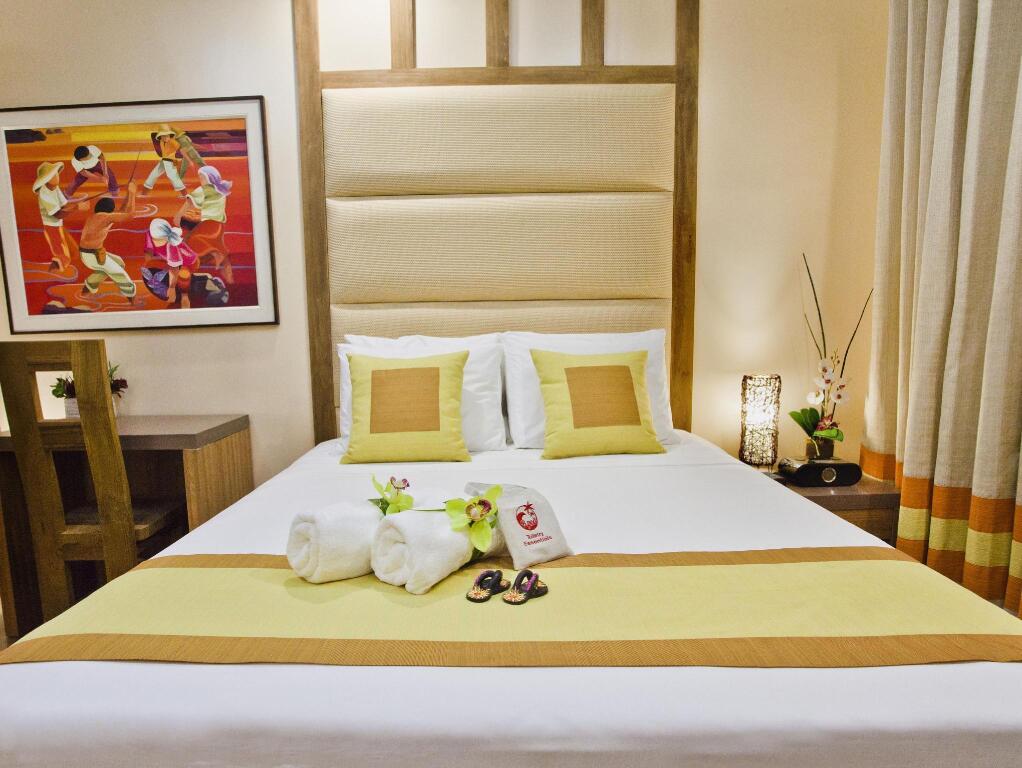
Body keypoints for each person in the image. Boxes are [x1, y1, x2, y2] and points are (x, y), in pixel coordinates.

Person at [78, 182, 139, 302]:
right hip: (92, 256)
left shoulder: (98, 217)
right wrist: (132, 193)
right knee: (120, 273)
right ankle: (132, 298)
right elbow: (129, 215)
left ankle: (88, 287)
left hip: (90, 254)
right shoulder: (104, 217)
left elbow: (122, 212)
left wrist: (128, 193)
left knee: (119, 263)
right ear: (109, 211)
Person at [176, 165, 234, 284]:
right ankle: (221, 262)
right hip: (219, 226)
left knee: (188, 242)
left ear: (208, 178)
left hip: (208, 225)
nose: (200, 180)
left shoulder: (204, 190)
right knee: (215, 244)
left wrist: (178, 217)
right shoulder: (220, 189)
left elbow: (189, 202)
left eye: (201, 177)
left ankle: (186, 272)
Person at [31, 161, 85, 271]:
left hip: (58, 225)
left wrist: (77, 202)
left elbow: (64, 205)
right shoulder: (44, 194)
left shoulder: (55, 188)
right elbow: (58, 214)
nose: (57, 177)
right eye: (54, 175)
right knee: (62, 255)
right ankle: (52, 270)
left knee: (74, 251)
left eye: (56, 174)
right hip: (51, 227)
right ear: (47, 179)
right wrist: (76, 207)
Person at [144, 218, 198, 308]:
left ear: (166, 238)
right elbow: (148, 252)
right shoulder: (151, 234)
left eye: (158, 240)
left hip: (187, 262)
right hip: (168, 260)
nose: (154, 242)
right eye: (153, 239)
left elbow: (174, 270)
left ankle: (184, 296)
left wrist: (171, 287)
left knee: (183, 277)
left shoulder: (172, 247)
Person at [141, 124, 186, 195]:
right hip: (164, 161)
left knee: (173, 177)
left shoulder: (173, 142)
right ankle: (143, 193)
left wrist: (178, 161)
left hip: (171, 161)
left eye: (166, 136)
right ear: (160, 136)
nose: (165, 138)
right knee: (153, 174)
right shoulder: (161, 141)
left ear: (169, 135)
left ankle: (185, 194)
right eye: (163, 136)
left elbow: (181, 149)